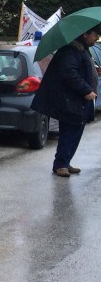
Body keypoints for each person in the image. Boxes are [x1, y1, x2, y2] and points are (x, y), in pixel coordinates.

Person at [31, 25, 99, 177]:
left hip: (77, 101)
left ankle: (66, 162)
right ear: (85, 34)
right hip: (69, 101)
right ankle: (60, 164)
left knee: (75, 132)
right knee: (69, 132)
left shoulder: (82, 50)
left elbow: (80, 70)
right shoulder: (69, 51)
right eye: (95, 35)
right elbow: (69, 73)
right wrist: (86, 90)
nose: (96, 38)